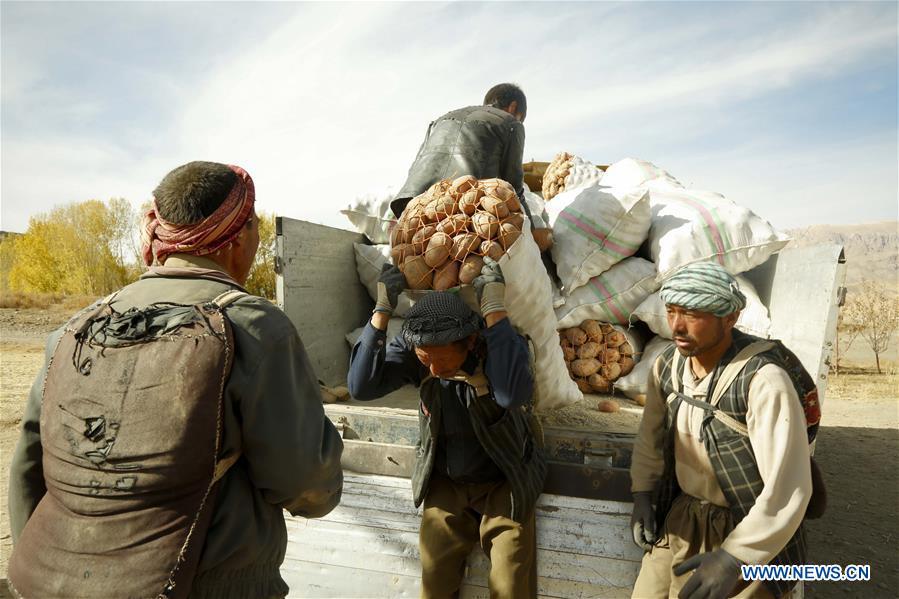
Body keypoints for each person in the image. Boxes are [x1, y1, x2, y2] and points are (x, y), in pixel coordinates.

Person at [7, 161, 344, 599]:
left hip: (44, 581)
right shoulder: (254, 326)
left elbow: (28, 470)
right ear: (239, 238)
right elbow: (305, 483)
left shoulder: (74, 329)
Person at [347, 259, 547, 599]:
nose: (434, 368)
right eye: (426, 359)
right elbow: (360, 386)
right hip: (446, 482)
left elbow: (512, 395)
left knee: (511, 585)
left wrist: (494, 308)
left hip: (504, 479)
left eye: (443, 359)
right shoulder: (416, 348)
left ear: (470, 341)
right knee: (435, 584)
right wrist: (381, 310)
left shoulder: (497, 345)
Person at [629, 262, 813, 599]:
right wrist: (642, 494)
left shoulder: (764, 380)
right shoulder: (667, 366)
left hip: (748, 528)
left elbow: (788, 488)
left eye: (692, 314)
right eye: (671, 312)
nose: (677, 326)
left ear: (730, 318)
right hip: (682, 520)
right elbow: (650, 440)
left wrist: (734, 558)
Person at [391, 83, 528, 219]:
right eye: (520, 118)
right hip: (465, 210)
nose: (519, 121)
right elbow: (513, 189)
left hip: (413, 207)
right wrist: (533, 232)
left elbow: (415, 167)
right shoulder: (511, 124)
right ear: (513, 107)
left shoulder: (440, 120)